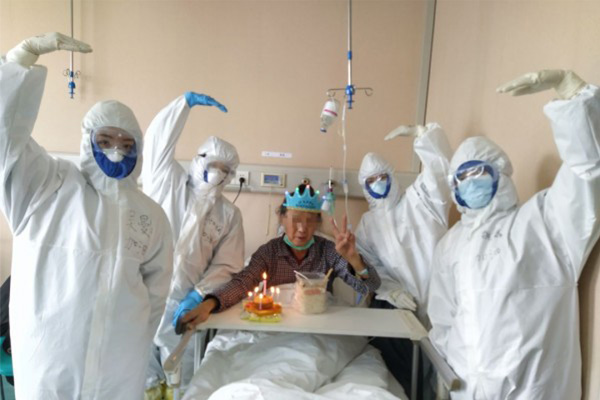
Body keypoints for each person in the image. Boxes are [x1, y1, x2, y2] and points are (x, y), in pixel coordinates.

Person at [0, 33, 173, 399]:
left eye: (126, 144)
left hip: (119, 366)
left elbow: (155, 294)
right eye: (105, 141)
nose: (116, 152)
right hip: (49, 360)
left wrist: (134, 341)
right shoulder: (47, 185)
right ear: (87, 140)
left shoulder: (151, 216)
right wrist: (19, 63)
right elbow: (6, 142)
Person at [428, 69, 600, 399]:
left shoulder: (542, 223)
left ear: (500, 172)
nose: (470, 182)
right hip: (468, 389)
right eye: (461, 177)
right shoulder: (450, 245)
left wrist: (573, 98)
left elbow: (586, 172)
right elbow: (443, 319)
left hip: (537, 389)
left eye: (479, 172)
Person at [142, 92, 244, 396]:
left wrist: (198, 294)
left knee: (181, 381)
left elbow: (227, 264)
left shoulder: (228, 214)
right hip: (141, 294)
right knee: (138, 377)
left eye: (226, 169)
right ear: (198, 160)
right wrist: (183, 104)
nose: (218, 172)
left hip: (182, 306)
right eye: (213, 164)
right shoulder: (167, 181)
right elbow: (157, 142)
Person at [181, 183, 380, 327]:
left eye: (310, 220)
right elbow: (243, 283)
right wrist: (210, 303)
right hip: (276, 324)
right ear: (282, 218)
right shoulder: (269, 252)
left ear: (318, 223)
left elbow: (370, 286)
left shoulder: (328, 251)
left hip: (317, 325)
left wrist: (354, 259)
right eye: (295, 219)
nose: (302, 228)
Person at [355, 123, 452, 395]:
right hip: (405, 307)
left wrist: (424, 137)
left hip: (441, 296)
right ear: (364, 187)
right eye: (371, 181)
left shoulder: (420, 199)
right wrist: (391, 291)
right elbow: (373, 267)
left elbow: (440, 172)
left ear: (392, 175)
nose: (378, 183)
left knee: (445, 367)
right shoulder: (367, 226)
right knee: (415, 371)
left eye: (381, 176)